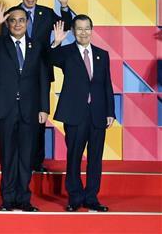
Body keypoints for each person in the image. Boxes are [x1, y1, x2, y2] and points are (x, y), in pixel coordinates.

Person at [0, 4, 51, 212]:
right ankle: (8, 199)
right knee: (9, 155)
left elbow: (42, 79)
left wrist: (44, 108)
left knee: (26, 156)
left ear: (27, 23)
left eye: (21, 20)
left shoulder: (37, 46)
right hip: (6, 108)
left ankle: (24, 199)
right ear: (8, 23)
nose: (17, 24)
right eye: (13, 20)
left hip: (30, 109)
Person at [50, 15, 114, 212]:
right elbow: (48, 58)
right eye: (79, 29)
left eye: (87, 28)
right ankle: (75, 197)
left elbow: (106, 85)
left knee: (95, 158)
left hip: (97, 114)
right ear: (74, 31)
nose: (84, 32)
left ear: (92, 30)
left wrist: (110, 112)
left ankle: (92, 197)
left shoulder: (102, 55)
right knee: (74, 157)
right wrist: (56, 42)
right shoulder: (66, 53)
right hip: (74, 114)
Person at [16, 0, 75, 172]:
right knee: (17, 116)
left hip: (41, 71)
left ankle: (36, 161)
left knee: (39, 116)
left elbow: (66, 26)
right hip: (17, 73)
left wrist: (64, 6)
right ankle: (18, 158)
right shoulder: (13, 15)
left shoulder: (46, 13)